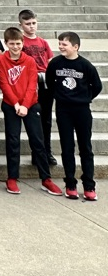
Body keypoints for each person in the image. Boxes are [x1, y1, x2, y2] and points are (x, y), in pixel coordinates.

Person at [0, 27, 62, 197]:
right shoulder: (2, 60)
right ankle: (12, 178)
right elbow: (4, 84)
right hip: (11, 105)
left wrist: (25, 105)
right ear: (6, 43)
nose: (16, 47)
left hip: (31, 104)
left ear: (23, 43)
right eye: (12, 44)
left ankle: (46, 179)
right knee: (13, 141)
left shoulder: (30, 61)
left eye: (18, 43)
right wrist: (16, 104)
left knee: (38, 142)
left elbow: (32, 85)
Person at [46, 31, 102, 201]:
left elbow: (97, 86)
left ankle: (89, 185)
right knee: (67, 147)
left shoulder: (86, 65)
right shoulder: (55, 63)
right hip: (63, 110)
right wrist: (60, 96)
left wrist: (84, 98)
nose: (60, 46)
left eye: (64, 44)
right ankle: (70, 183)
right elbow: (50, 83)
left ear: (75, 47)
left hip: (82, 110)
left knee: (85, 147)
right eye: (60, 43)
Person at [19, 9, 57, 165]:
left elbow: (51, 60)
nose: (31, 26)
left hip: (45, 83)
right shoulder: (20, 41)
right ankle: (37, 153)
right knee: (35, 120)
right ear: (21, 25)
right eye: (27, 24)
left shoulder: (43, 42)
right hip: (30, 84)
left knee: (46, 120)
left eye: (34, 23)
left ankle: (47, 152)